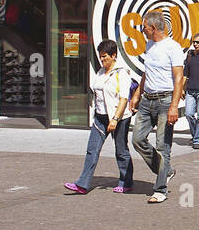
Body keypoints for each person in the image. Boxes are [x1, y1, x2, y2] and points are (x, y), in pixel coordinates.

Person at [64, 40, 133, 194]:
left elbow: (123, 99)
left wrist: (115, 119)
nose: (102, 60)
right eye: (101, 57)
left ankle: (126, 181)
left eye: (105, 57)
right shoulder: (101, 72)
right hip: (100, 117)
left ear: (114, 55)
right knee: (92, 149)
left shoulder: (122, 73)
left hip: (119, 118)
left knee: (121, 150)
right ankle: (82, 184)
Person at [130, 11, 184, 203]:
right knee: (137, 139)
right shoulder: (149, 44)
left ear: (153, 28)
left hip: (165, 101)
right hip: (147, 100)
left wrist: (174, 106)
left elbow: (179, 78)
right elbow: (147, 72)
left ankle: (160, 189)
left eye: (144, 27)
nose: (142, 30)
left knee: (163, 146)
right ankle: (166, 171)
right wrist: (137, 94)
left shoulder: (173, 48)